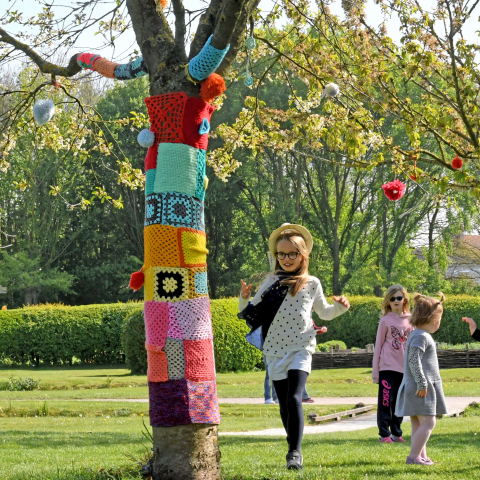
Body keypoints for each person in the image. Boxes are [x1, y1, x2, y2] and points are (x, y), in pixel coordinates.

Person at [238, 223, 350, 470]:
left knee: (294, 398)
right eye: (281, 254)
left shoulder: (312, 283)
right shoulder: (270, 281)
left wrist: (341, 306)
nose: (286, 259)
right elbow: (250, 316)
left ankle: (294, 453)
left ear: (303, 255)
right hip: (274, 350)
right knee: (284, 403)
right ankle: (292, 443)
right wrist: (244, 298)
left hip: (302, 347)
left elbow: (325, 312)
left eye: (292, 254)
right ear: (276, 256)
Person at [395, 293, 448, 466]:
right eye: (440, 319)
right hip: (420, 387)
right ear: (434, 320)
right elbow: (413, 359)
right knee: (429, 421)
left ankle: (420, 456)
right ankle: (413, 457)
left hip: (416, 386)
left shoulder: (417, 334)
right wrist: (422, 382)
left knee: (419, 423)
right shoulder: (421, 336)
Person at [372, 284, 412, 443]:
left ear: (404, 299)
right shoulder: (385, 321)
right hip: (387, 368)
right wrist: (376, 373)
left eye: (399, 298)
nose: (396, 301)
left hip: (404, 369)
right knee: (386, 401)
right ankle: (384, 433)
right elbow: (378, 347)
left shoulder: (411, 320)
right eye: (392, 298)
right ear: (388, 302)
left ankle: (396, 432)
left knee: (400, 402)